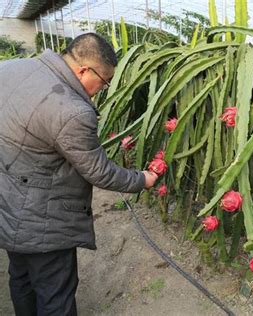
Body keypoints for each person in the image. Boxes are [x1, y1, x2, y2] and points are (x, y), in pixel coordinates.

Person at [0, 33, 158, 315]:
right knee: (55, 294)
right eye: (104, 81)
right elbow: (99, 171)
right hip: (43, 221)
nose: (102, 89)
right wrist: (141, 180)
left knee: (21, 278)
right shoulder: (72, 110)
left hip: (7, 205)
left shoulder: (10, 68)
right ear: (84, 70)